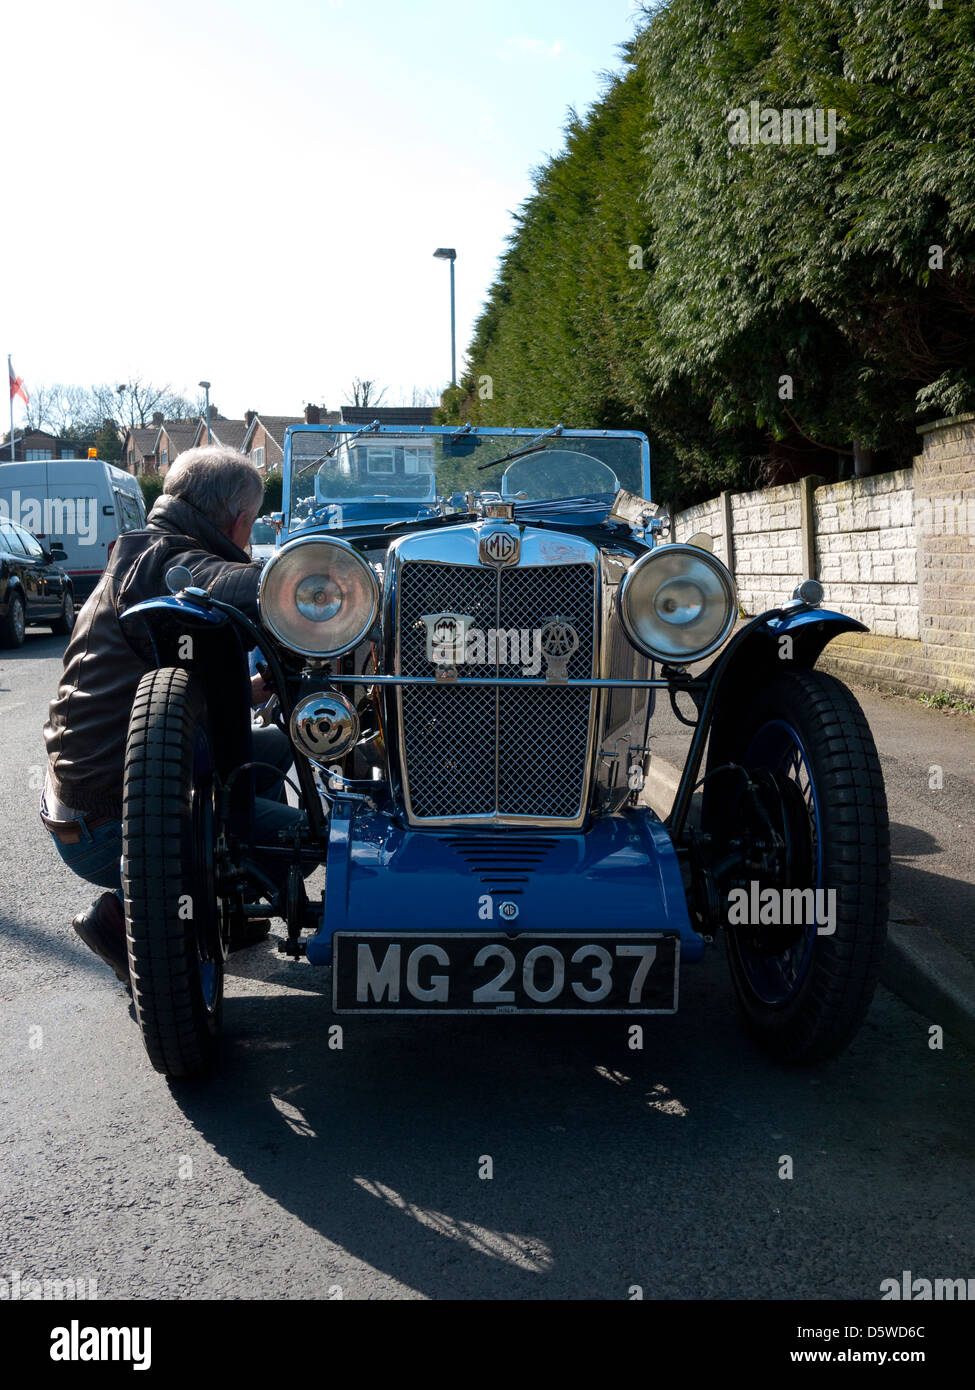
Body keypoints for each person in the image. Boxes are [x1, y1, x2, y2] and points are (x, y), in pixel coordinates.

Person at [41, 445, 301, 984]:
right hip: (107, 820)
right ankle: (126, 915)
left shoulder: (145, 550)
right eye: (251, 527)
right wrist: (319, 584)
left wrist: (257, 688)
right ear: (238, 519)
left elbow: (188, 678)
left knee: (273, 747)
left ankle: (236, 902)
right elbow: (222, 584)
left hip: (91, 795)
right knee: (301, 843)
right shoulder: (165, 560)